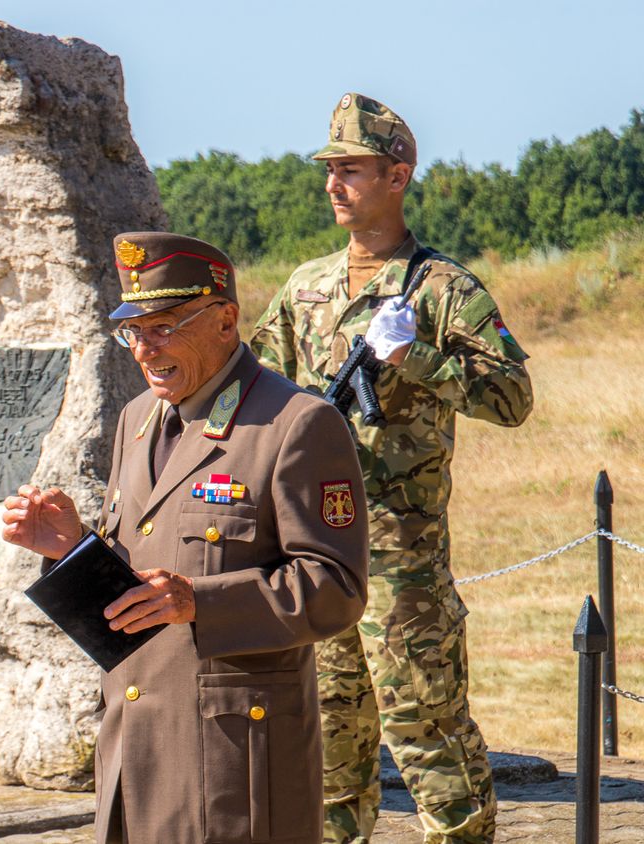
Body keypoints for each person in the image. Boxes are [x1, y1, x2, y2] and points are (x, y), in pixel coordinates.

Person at [2, 231, 369, 844]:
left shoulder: (296, 424)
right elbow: (139, 586)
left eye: (165, 326)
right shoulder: (137, 420)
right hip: (136, 749)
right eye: (133, 331)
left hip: (232, 762)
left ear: (225, 320)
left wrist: (199, 600)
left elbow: (337, 589)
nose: (145, 349)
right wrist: (72, 550)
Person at [250, 93, 534, 843]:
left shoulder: (442, 289)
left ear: (398, 176)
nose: (333, 185)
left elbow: (513, 398)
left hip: (400, 559)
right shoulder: (304, 289)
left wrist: (419, 358)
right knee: (328, 748)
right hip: (316, 547)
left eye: (352, 170)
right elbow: (253, 396)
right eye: (330, 170)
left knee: (427, 731)